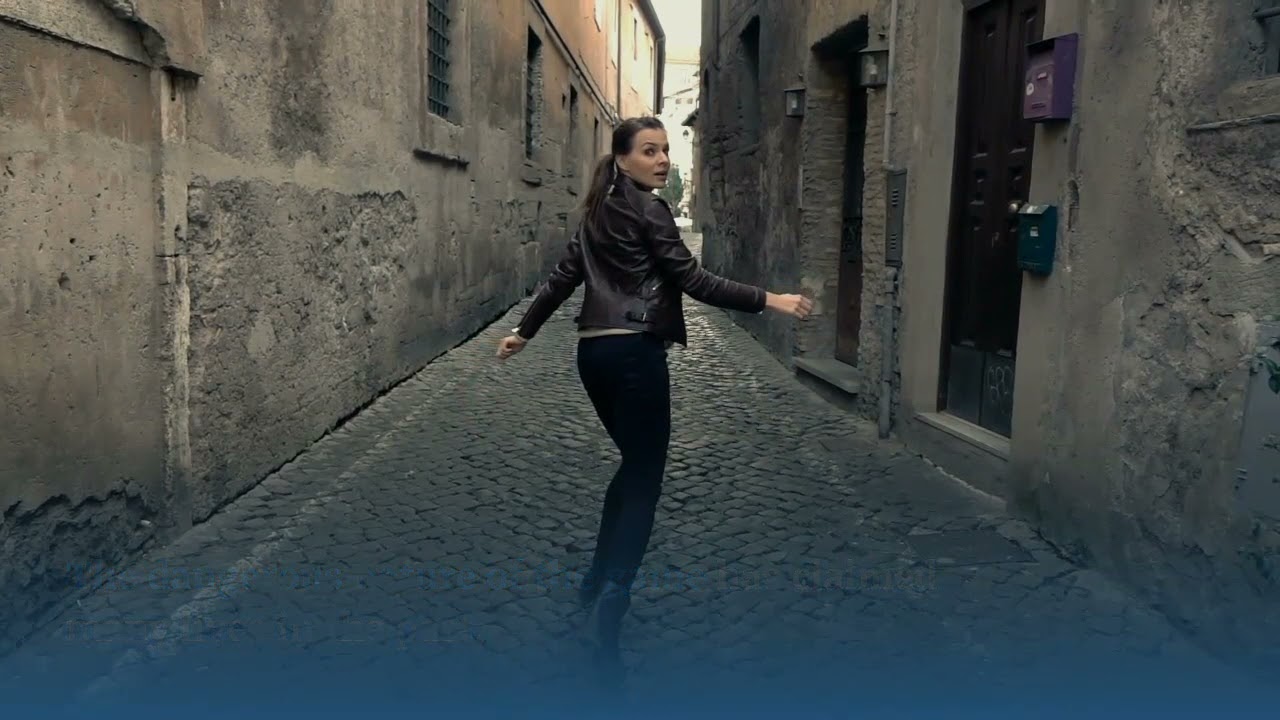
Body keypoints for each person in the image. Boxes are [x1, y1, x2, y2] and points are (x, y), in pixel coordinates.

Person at [495, 116, 813, 684]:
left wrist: (524, 331)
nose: (662, 159)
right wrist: (771, 299)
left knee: (632, 466)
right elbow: (694, 280)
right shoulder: (650, 209)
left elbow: (562, 277)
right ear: (622, 158)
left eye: (665, 150)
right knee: (645, 479)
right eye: (649, 151)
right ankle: (611, 604)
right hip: (635, 355)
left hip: (593, 355)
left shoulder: (597, 210)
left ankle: (596, 577)